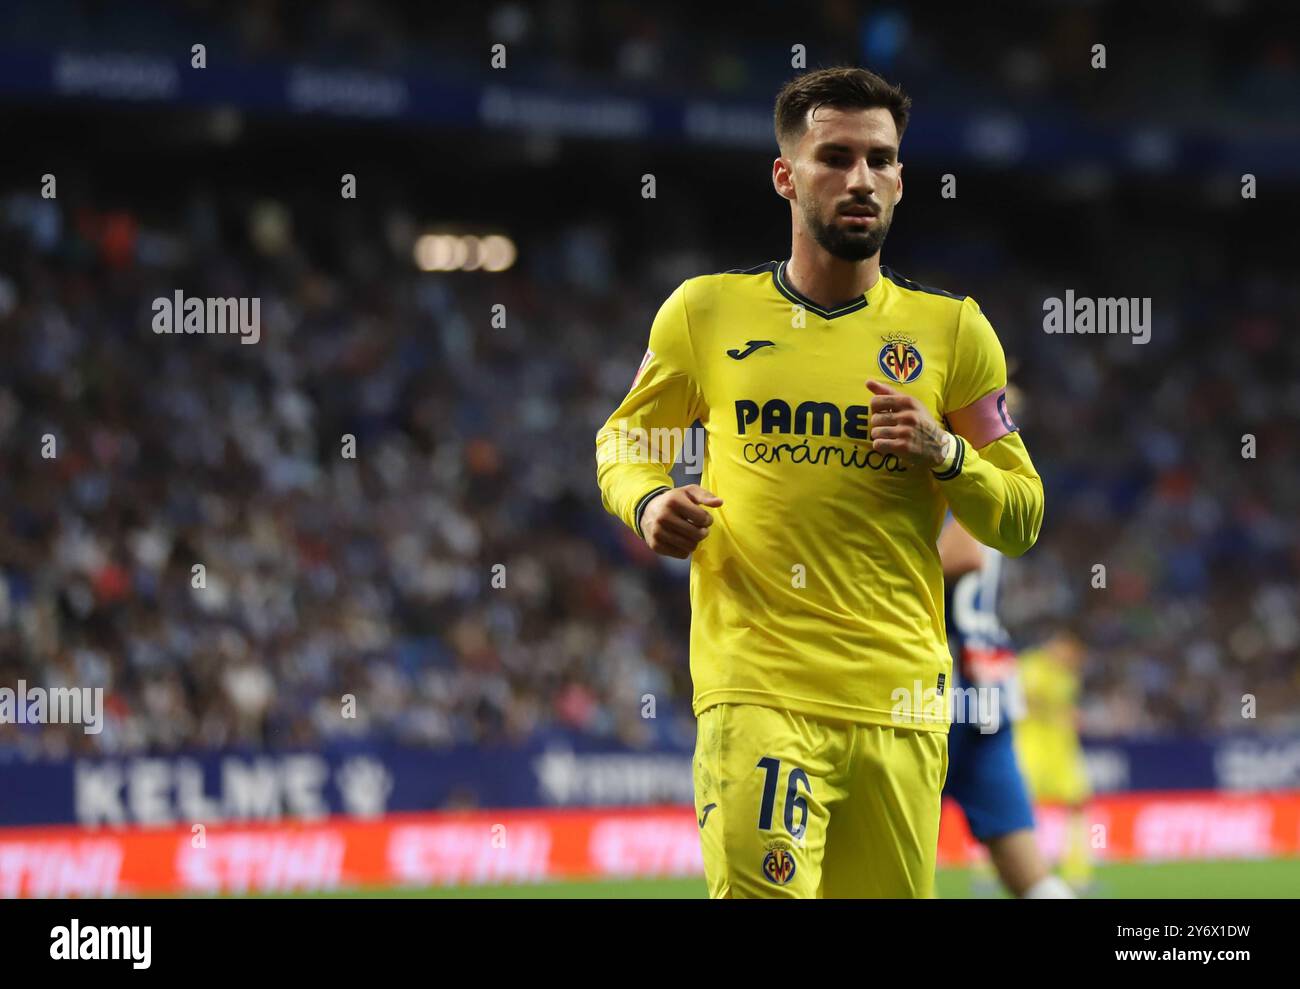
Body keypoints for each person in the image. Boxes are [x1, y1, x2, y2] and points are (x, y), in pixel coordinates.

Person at [595, 66, 1044, 897]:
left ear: (902, 179)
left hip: (904, 704)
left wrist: (945, 452)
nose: (860, 178)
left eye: (880, 159)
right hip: (759, 690)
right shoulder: (705, 313)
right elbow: (626, 438)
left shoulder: (955, 333)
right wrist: (650, 498)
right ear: (785, 174)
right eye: (834, 156)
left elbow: (1021, 515)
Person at [939, 517, 1074, 898]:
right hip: (985, 687)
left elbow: (960, 554)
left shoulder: (942, 471)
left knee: (889, 861)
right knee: (1026, 870)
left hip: (938, 692)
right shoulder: (981, 478)